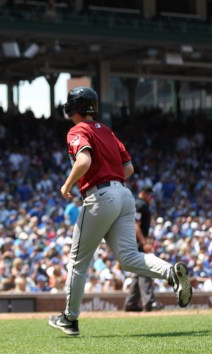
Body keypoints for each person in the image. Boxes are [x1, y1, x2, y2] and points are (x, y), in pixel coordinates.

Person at [48, 87, 193, 336]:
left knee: (78, 263)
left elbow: (84, 161)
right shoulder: (107, 131)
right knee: (128, 258)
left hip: (100, 195)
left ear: (73, 107)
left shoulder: (77, 129)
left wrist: (68, 184)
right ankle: (170, 272)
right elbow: (129, 169)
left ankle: (70, 319)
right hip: (125, 195)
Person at [124, 186, 164, 312]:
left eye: (151, 195)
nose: (151, 197)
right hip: (137, 243)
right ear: (142, 193)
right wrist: (144, 242)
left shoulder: (142, 205)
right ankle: (149, 302)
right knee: (145, 269)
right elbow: (135, 225)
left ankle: (131, 303)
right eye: (149, 194)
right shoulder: (139, 204)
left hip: (137, 242)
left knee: (139, 272)